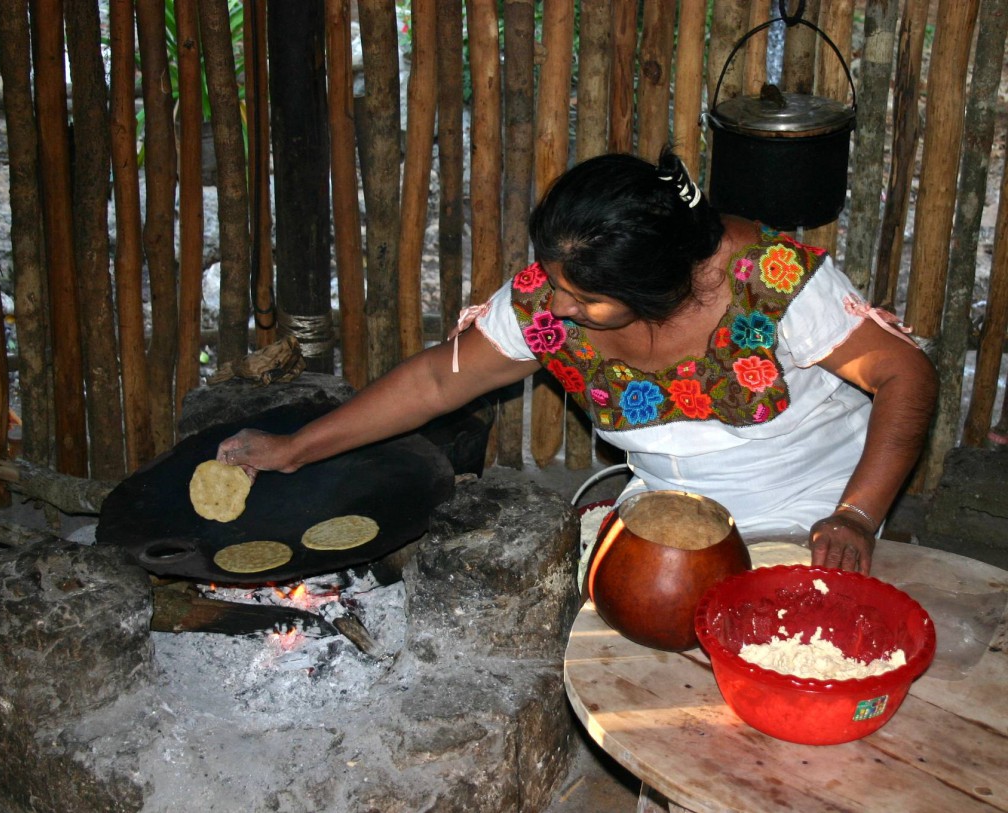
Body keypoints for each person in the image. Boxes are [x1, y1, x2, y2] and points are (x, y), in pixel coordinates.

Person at [217, 148, 937, 577]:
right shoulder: (551, 293)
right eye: (551, 279)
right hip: (669, 521)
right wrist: (296, 448)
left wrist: (856, 515)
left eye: (584, 297)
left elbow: (906, 373)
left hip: (810, 516)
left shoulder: (771, 280)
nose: (552, 308)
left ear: (663, 288)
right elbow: (440, 378)